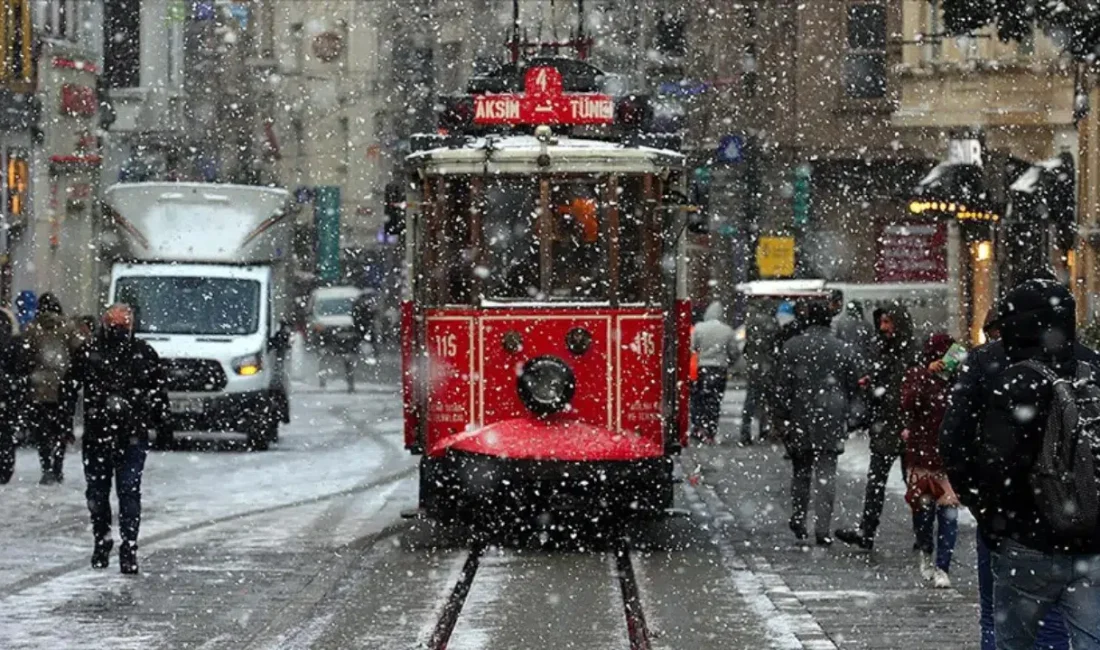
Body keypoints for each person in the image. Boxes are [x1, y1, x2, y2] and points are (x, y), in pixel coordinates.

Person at [975, 280, 1100, 649]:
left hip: (1028, 540)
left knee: (1015, 641)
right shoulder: (1091, 372)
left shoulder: (1013, 381)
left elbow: (994, 466)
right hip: (1090, 539)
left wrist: (995, 524)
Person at [941, 300, 1073, 650]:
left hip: (1008, 513)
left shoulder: (984, 362)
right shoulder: (1081, 360)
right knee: (1057, 621)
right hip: (1068, 512)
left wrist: (979, 501)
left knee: (998, 615)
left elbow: (954, 437)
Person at [72, 304, 169, 574]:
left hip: (126, 435)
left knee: (123, 491)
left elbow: (159, 392)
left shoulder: (140, 354)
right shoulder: (93, 353)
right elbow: (69, 386)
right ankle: (107, 541)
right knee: (104, 493)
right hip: (105, 435)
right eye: (115, 325)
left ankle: (126, 545)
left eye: (122, 325)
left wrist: (160, 423)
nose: (118, 330)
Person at [774, 300, 860, 546]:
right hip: (831, 417)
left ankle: (799, 519)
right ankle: (822, 529)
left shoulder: (792, 347)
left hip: (801, 416)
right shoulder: (842, 349)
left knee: (801, 472)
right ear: (829, 319)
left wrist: (783, 418)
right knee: (826, 474)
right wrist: (851, 416)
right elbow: (854, 384)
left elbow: (782, 387)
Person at [836, 301, 916, 550]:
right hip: (886, 425)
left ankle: (922, 533)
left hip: (908, 426)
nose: (883, 327)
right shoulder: (881, 349)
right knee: (876, 482)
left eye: (888, 321)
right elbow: (880, 386)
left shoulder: (912, 350)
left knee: (913, 483)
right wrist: (870, 385)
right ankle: (867, 531)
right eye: (881, 322)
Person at [900, 333, 960, 588]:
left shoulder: (958, 380)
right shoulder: (917, 375)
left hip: (949, 458)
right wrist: (926, 375)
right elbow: (908, 403)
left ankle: (943, 565)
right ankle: (926, 550)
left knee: (949, 515)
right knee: (923, 514)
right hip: (922, 457)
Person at [22, 292, 78, 484]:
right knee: (60, 428)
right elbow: (78, 352)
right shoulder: (69, 327)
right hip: (63, 386)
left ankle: (46, 467)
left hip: (39, 387)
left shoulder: (32, 328)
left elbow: (26, 356)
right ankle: (58, 466)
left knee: (42, 431)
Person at [690, 301, 739, 443]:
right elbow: (734, 352)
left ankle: (699, 427)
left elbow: (692, 347)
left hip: (702, 368)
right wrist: (729, 362)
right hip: (720, 369)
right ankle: (711, 430)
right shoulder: (727, 330)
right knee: (715, 401)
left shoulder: (699, 328)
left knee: (700, 399)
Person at [740, 306, 779, 444]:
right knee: (768, 400)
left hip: (754, 365)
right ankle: (765, 429)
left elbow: (746, 347)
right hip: (767, 366)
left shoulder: (751, 322)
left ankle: (745, 432)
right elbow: (774, 345)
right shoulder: (772, 322)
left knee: (751, 400)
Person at [0, 308, 27, 484]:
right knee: (5, 433)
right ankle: (4, 468)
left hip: (7, 391)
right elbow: (22, 368)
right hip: (7, 394)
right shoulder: (15, 343)